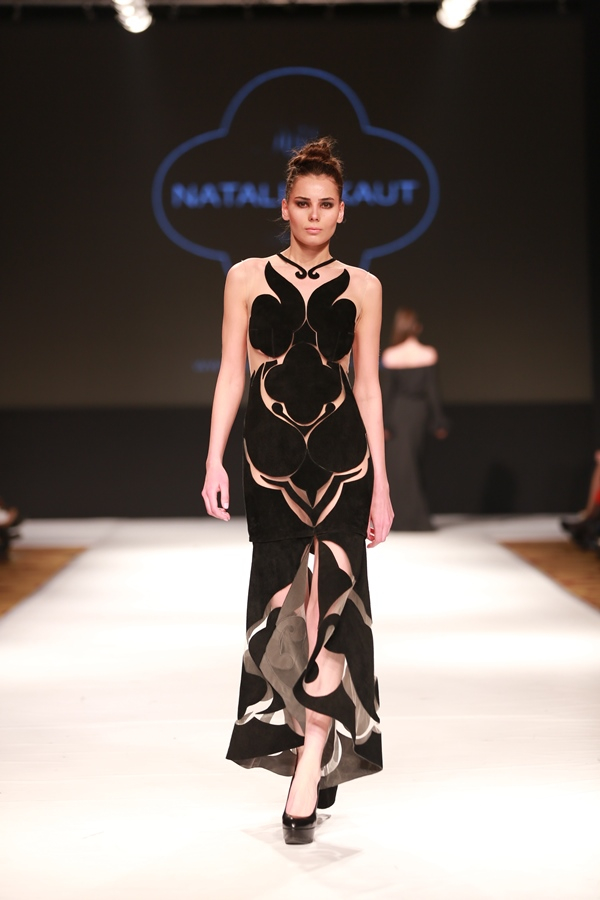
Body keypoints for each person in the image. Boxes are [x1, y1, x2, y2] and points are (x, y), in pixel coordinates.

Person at [202, 137, 393, 844]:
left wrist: (382, 484)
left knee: (333, 607)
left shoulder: (365, 287)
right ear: (284, 208)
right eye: (303, 203)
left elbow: (367, 387)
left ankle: (310, 760)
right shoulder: (244, 278)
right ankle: (308, 737)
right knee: (284, 610)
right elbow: (231, 373)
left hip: (343, 463)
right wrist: (214, 459)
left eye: (326, 204)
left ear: (342, 212)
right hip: (269, 461)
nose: (314, 215)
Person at [381, 308, 448, 531]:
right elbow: (433, 392)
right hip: (418, 411)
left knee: (399, 464)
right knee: (412, 461)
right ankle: (413, 519)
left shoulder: (391, 355)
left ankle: (400, 518)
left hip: (398, 412)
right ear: (417, 327)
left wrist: (384, 423)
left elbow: (387, 393)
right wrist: (438, 421)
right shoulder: (428, 353)